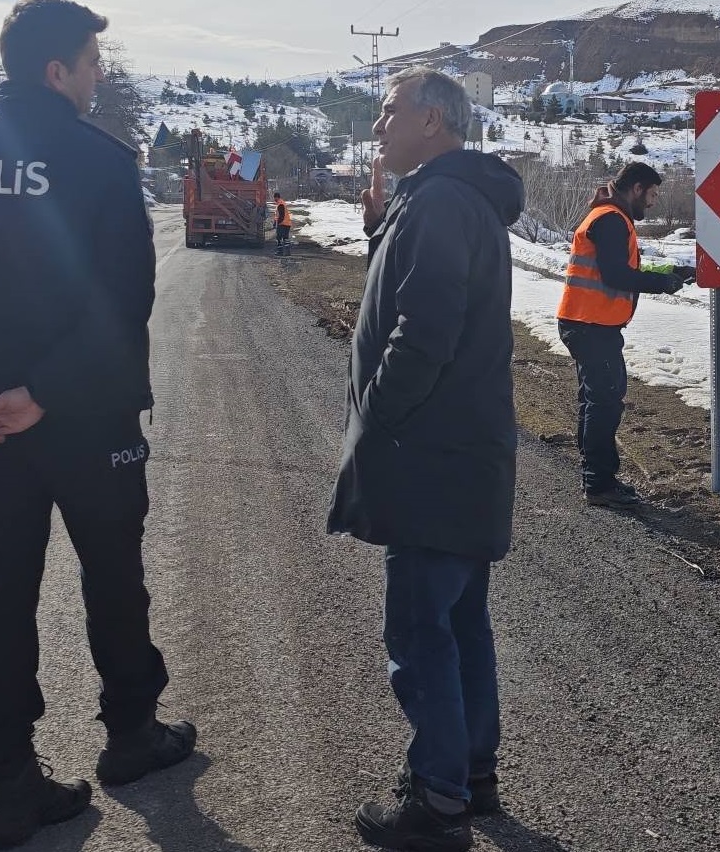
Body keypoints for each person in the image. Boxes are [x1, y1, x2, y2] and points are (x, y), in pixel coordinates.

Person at [0, 0, 194, 850]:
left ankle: (10, 778)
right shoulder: (99, 161)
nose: (99, 75)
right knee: (111, 575)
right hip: (87, 418)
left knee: (6, 589)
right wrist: (46, 392)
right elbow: (123, 298)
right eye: (93, 61)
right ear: (57, 70)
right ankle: (132, 734)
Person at [329, 66, 525, 852]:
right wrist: (381, 223)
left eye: (389, 111)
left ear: (434, 123)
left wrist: (375, 417)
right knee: (460, 621)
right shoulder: (441, 197)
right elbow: (422, 290)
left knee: (419, 630)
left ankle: (438, 801)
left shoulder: (441, 200)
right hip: (460, 454)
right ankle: (470, 772)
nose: (379, 126)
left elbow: (425, 329)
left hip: (432, 455)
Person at [556, 162, 695, 510]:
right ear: (635, 188)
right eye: (652, 195)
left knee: (596, 402)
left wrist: (670, 272)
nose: (652, 203)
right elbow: (617, 275)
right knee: (604, 404)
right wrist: (660, 285)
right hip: (591, 326)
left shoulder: (609, 217)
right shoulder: (611, 220)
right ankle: (599, 485)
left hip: (588, 323)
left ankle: (597, 479)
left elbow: (623, 268)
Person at [273, 190, 293, 255]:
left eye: (274, 198)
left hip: (283, 224)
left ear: (277, 197)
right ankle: (287, 252)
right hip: (287, 223)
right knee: (285, 238)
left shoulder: (280, 204)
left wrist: (278, 223)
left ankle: (280, 252)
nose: (274, 199)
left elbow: (281, 216)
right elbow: (278, 215)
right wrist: (275, 222)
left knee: (279, 238)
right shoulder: (281, 203)